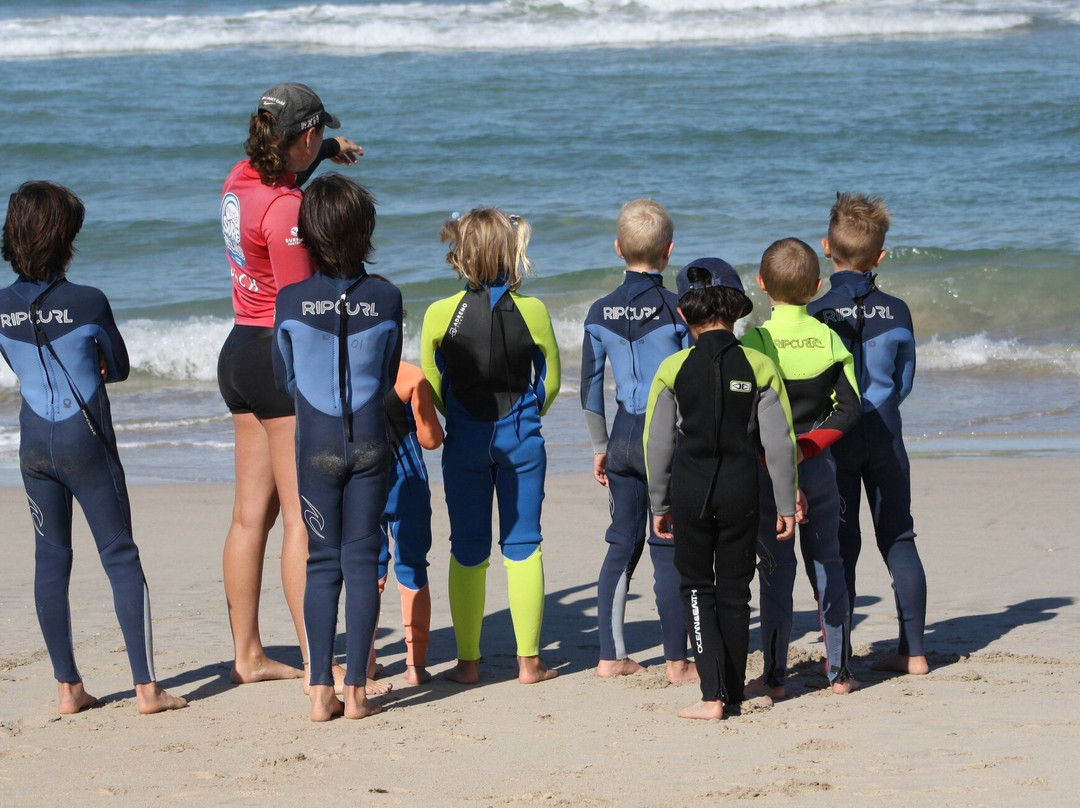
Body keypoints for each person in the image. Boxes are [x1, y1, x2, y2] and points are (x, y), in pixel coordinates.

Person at [0, 181, 187, 715]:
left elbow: (18, 364)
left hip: (34, 445)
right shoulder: (88, 301)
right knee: (120, 555)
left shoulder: (0, 306)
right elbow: (120, 367)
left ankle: (68, 689)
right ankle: (148, 689)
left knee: (50, 560)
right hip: (87, 441)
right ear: (65, 240)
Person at [217, 82, 362, 688]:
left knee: (252, 517)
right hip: (277, 362)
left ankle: (248, 654)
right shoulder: (285, 212)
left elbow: (278, 197)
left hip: (238, 351)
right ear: (301, 136)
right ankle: (317, 662)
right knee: (305, 519)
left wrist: (324, 156)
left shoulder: (240, 178)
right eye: (318, 134)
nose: (323, 139)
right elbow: (306, 304)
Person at [272, 174, 402, 721]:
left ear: (307, 234)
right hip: (371, 441)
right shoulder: (387, 296)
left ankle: (319, 690)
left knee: (322, 561)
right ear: (365, 231)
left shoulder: (291, 300)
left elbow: (286, 378)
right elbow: (390, 370)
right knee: (362, 558)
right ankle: (357, 694)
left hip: (316, 445)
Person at [644, 257, 797, 720]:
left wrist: (659, 502)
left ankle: (710, 697)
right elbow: (781, 443)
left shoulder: (672, 368)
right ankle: (731, 691)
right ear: (737, 312)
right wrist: (787, 502)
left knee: (695, 588)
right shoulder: (760, 365)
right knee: (735, 590)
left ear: (686, 314)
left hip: (690, 493)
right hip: (741, 489)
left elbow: (659, 443)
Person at [420, 207, 561, 685]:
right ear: (511, 250)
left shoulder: (439, 314)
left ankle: (467, 664)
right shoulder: (535, 311)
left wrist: (457, 415)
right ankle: (528, 664)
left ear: (460, 254)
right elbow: (552, 380)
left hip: (465, 440)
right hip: (521, 440)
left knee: (467, 549)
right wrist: (525, 415)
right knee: (523, 545)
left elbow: (433, 381)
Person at [808, 193, 928, 676]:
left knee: (839, 545)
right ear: (879, 257)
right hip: (884, 433)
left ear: (825, 248)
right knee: (899, 537)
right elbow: (903, 381)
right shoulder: (897, 311)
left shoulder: (815, 313)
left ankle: (840, 655)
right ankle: (914, 651)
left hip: (833, 441)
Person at [580, 199, 695, 681]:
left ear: (617, 248)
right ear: (669, 252)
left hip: (623, 437)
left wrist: (599, 446)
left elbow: (589, 388)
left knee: (621, 543)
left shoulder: (598, 310)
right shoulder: (679, 310)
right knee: (666, 543)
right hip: (665, 439)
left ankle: (611, 656)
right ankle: (676, 661)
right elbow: (690, 382)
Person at [741, 238, 861, 698]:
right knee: (828, 562)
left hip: (768, 472)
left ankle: (774, 677)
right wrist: (807, 449)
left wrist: (780, 456)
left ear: (760, 285)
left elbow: (747, 419)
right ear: (815, 287)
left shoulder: (754, 341)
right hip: (818, 466)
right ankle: (841, 673)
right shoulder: (828, 338)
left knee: (775, 571)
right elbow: (850, 410)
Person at [375, 360, 444, 685]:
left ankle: (367, 661)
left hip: (363, 484)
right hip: (408, 480)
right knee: (413, 566)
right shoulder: (410, 374)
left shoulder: (342, 372)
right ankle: (415, 664)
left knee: (367, 571)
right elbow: (431, 440)